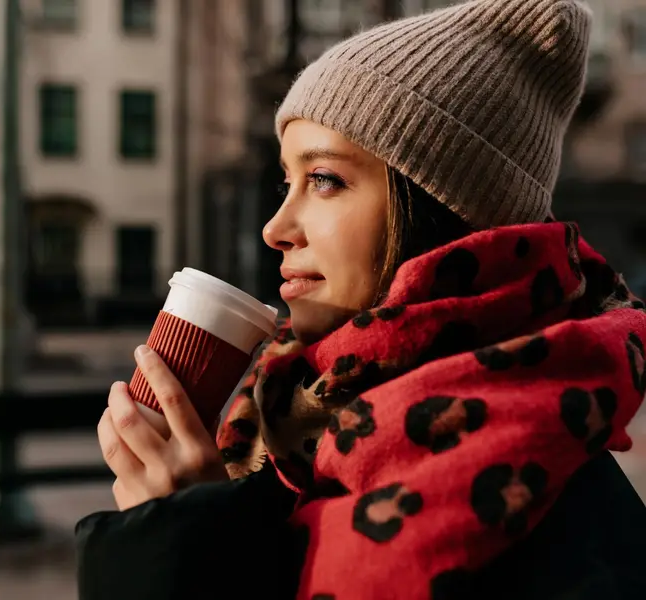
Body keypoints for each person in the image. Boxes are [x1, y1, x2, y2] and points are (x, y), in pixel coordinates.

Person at [77, 1, 646, 598]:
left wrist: (184, 553)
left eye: (323, 179)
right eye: (285, 182)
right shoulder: (294, 427)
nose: (276, 226)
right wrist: (191, 524)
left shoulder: (561, 525)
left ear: (439, 208)